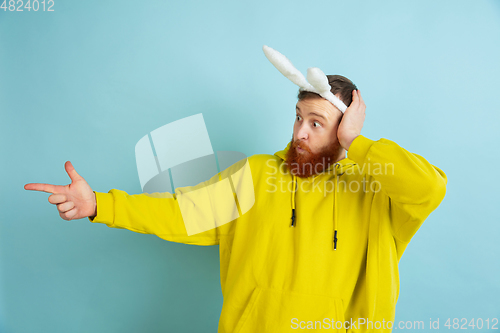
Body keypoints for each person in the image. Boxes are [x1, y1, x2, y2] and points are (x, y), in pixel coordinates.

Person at [25, 53, 447, 333]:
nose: (300, 132)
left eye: (316, 123)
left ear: (345, 128)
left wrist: (360, 143)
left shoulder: (377, 187)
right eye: (298, 117)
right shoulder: (257, 173)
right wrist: (99, 204)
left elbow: (430, 188)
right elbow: (181, 213)